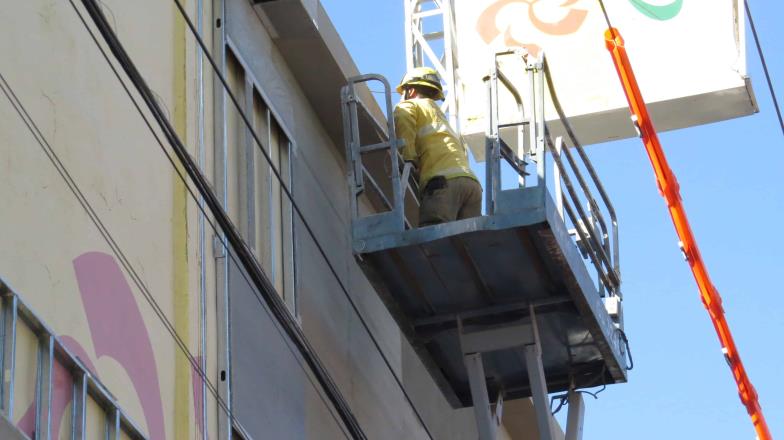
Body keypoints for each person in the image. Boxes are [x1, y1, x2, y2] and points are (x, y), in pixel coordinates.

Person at [393, 67, 482, 226]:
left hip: (442, 184)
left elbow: (404, 129)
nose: (401, 99)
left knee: (435, 238)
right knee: (468, 241)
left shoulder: (409, 106)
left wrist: (408, 159)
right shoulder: (441, 119)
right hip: (472, 185)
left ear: (411, 91)